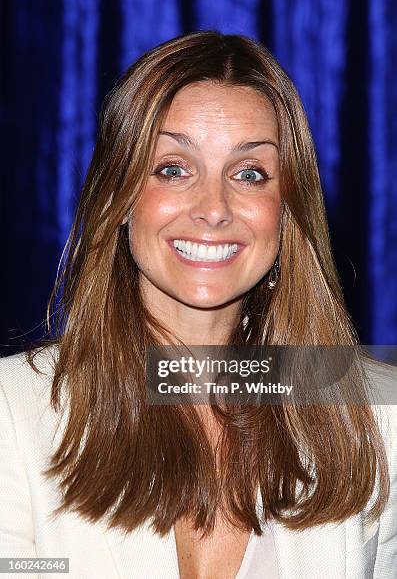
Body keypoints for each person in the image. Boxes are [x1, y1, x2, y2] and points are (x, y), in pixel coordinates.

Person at [0, 31, 396, 579]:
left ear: (287, 210)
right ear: (120, 195)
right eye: (173, 168)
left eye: (249, 174)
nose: (214, 209)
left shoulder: (379, 417)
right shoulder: (13, 410)